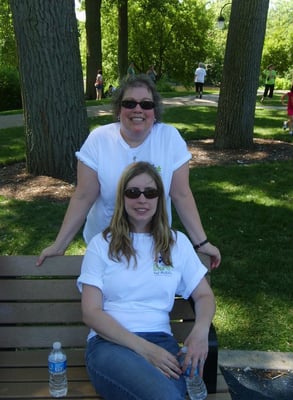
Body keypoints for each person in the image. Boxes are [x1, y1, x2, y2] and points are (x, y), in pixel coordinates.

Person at [37, 74, 221, 269]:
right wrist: (60, 245)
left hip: (154, 243)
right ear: (119, 109)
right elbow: (83, 197)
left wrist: (202, 243)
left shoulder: (170, 138)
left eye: (146, 104)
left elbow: (181, 194)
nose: (138, 109)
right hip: (105, 245)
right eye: (130, 103)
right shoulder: (99, 139)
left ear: (155, 111)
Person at [77, 161, 216, 400]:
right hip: (110, 345)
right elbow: (91, 313)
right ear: (122, 198)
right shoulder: (101, 245)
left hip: (162, 343)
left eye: (150, 193)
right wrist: (145, 350)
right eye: (133, 192)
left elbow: (203, 295)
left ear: (159, 199)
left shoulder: (177, 243)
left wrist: (201, 330)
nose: (142, 200)